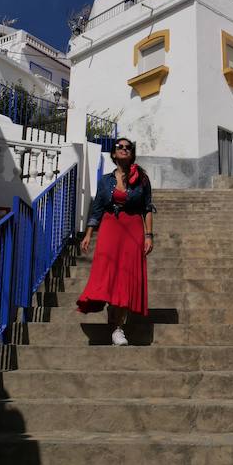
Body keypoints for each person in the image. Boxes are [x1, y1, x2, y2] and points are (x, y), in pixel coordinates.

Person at [76, 137, 154, 345]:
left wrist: (149, 235)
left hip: (133, 229)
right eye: (120, 147)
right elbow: (98, 208)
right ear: (113, 153)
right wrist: (88, 233)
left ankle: (118, 328)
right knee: (109, 275)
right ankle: (113, 314)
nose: (124, 149)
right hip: (110, 228)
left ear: (132, 153)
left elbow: (147, 208)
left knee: (125, 280)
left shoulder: (142, 179)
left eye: (129, 147)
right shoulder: (105, 181)